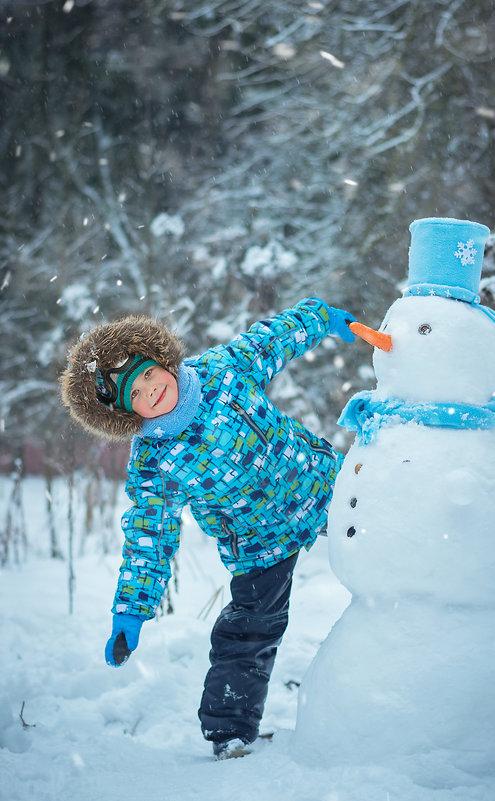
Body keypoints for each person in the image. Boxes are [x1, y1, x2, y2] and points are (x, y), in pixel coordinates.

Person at [60, 297, 356, 759]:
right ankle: (230, 730)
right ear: (125, 414)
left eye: (146, 375)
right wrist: (132, 610)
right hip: (259, 543)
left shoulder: (224, 371)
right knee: (250, 629)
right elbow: (149, 539)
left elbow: (274, 338)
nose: (148, 391)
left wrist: (322, 318)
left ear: (161, 359)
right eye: (133, 395)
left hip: (323, 486)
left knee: (389, 541)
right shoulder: (155, 463)